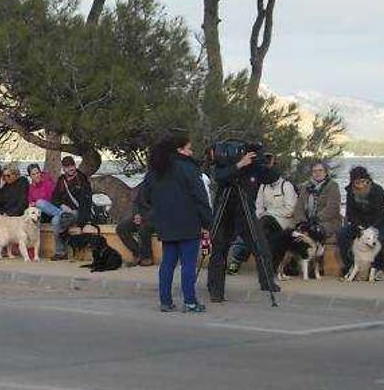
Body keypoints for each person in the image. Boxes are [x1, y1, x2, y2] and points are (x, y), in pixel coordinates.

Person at [142, 131, 212, 313]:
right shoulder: (188, 169)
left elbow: (144, 196)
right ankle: (190, 301)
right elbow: (200, 197)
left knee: (167, 264)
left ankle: (165, 301)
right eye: (189, 149)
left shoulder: (156, 170)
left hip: (166, 223)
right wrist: (207, 221)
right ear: (179, 150)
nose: (191, 152)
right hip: (188, 223)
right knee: (188, 264)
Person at [207, 144, 279, 303]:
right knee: (219, 250)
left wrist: (270, 164)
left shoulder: (254, 169)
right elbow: (219, 177)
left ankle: (267, 282)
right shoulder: (225, 166)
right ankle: (215, 290)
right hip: (225, 213)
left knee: (261, 247)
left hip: (246, 212)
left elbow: (272, 178)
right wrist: (239, 165)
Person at [337, 166, 384, 280]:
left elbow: (382, 211)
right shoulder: (350, 193)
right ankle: (350, 265)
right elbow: (351, 214)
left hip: (380, 222)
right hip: (360, 224)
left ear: (368, 180)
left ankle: (379, 268)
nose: (361, 185)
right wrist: (359, 227)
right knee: (342, 234)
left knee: (378, 239)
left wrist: (371, 228)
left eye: (363, 181)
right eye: (357, 182)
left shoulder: (378, 190)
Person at [255, 156, 298, 272]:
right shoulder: (263, 187)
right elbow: (258, 206)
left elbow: (290, 209)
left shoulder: (286, 186)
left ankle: (267, 265)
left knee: (265, 224)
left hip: (283, 221)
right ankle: (268, 264)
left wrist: (269, 213)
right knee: (265, 231)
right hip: (266, 221)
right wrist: (261, 215)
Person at [49, 156, 94, 260]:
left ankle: (63, 235)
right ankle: (61, 252)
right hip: (63, 211)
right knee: (55, 221)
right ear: (64, 168)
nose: (71, 168)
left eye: (72, 165)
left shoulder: (81, 179)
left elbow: (86, 201)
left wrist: (82, 223)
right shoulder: (61, 180)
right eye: (68, 166)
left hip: (77, 212)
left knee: (60, 221)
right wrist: (62, 205)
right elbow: (54, 198)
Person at [294, 161, 343, 240]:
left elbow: (333, 207)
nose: (317, 173)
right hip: (307, 221)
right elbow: (299, 207)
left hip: (327, 222)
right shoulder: (305, 186)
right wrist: (302, 221)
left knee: (314, 232)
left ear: (325, 172)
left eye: (320, 170)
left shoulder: (332, 186)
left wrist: (316, 219)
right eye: (314, 171)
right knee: (294, 234)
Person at [116, 180, 155, 267]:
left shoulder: (164, 186)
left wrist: (144, 217)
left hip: (156, 218)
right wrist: (136, 215)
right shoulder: (144, 185)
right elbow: (136, 202)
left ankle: (147, 257)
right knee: (121, 228)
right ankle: (137, 253)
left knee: (144, 228)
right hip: (141, 215)